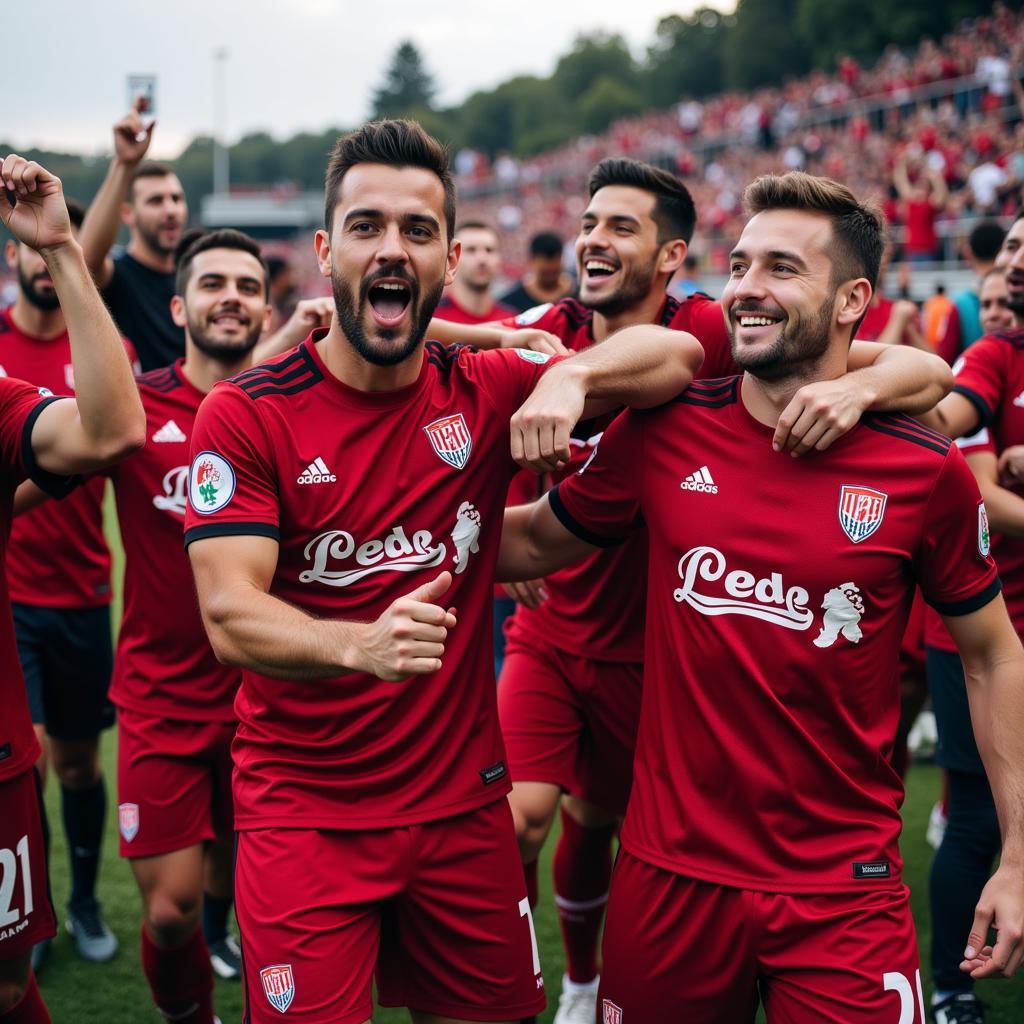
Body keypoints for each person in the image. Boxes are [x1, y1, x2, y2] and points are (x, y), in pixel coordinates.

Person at [183, 119, 703, 1024]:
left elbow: (679, 356)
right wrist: (360, 647)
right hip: (305, 815)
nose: (393, 248)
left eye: (418, 232)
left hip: (464, 812)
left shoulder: (487, 384)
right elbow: (230, 614)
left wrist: (566, 382)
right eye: (367, 227)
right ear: (324, 250)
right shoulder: (246, 414)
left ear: (449, 256)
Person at [498, 171, 1024, 1023]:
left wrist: (1020, 856)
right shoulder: (665, 428)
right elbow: (526, 541)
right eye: (739, 264)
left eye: (781, 268)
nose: (743, 287)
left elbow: (993, 652)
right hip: (670, 880)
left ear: (852, 299)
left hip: (842, 893)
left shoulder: (919, 468)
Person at [111, 229, 270, 1024]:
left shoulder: (288, 404)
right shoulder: (133, 406)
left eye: (247, 284)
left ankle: (228, 937)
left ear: (265, 306)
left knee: (256, 898)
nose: (231, 297)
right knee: (168, 912)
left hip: (268, 698)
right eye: (213, 283)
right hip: (160, 697)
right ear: (180, 305)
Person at [0, 153, 145, 1024]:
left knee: (77, 762)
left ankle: (73, 904)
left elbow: (115, 430)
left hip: (83, 594)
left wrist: (60, 246)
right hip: (21, 599)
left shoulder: (66, 364)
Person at [917, 213, 1024, 1024]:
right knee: (978, 815)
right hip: (981, 630)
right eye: (1011, 246)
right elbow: (946, 429)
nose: (1014, 263)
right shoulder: (992, 358)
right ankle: (950, 986)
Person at [79, 101, 187, 370]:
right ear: (127, 213)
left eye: (176, 198)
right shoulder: (119, 277)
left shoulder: (193, 278)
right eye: (155, 201)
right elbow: (85, 261)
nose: (170, 209)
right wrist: (124, 164)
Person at [434, 221, 516, 324]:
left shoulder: (511, 320)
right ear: (452, 259)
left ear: (499, 259)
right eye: (471, 250)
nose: (482, 259)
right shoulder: (431, 319)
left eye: (489, 250)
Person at [500, 232, 574, 313]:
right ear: (531, 261)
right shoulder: (510, 303)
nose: (550, 273)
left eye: (554, 271)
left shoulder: (577, 293)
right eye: (546, 272)